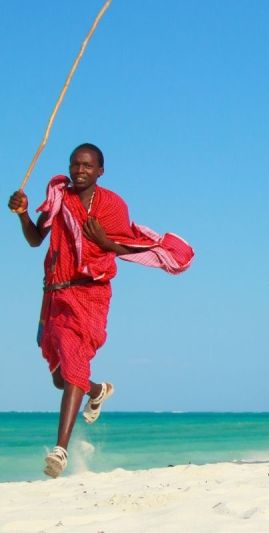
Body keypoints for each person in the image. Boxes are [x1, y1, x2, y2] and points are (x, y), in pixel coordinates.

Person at [8, 143, 194, 478]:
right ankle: (97, 390)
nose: (79, 170)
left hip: (91, 294)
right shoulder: (58, 199)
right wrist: (22, 212)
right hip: (54, 295)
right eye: (75, 164)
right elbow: (36, 239)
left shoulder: (111, 205)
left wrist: (104, 242)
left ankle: (60, 451)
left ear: (100, 171)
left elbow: (128, 246)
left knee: (74, 361)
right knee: (59, 378)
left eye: (87, 165)